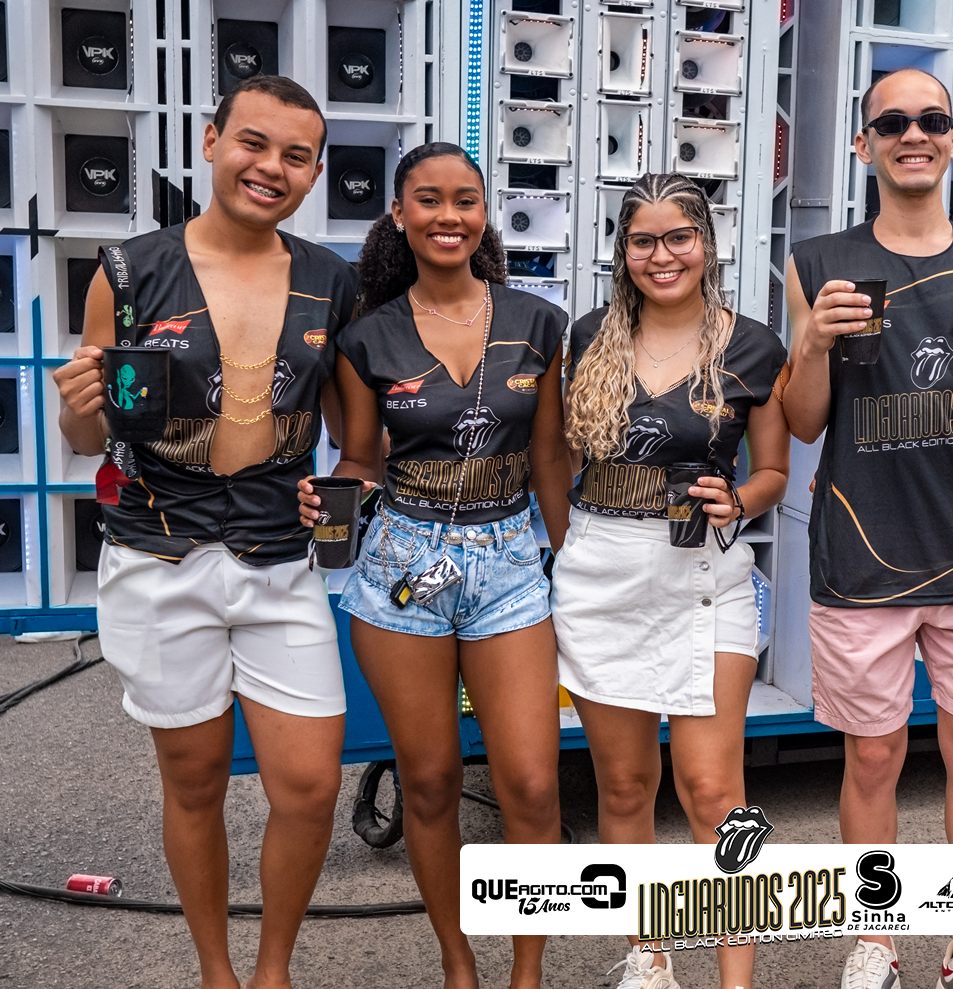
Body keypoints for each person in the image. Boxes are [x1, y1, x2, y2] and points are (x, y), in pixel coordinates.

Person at [51, 75, 357, 989]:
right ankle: (217, 971)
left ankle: (274, 970)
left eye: (296, 156)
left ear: (314, 173)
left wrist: (341, 491)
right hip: (158, 554)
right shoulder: (129, 271)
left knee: (311, 784)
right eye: (253, 143)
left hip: (278, 558)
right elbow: (87, 436)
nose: (271, 168)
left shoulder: (331, 281)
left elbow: (356, 442)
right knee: (195, 782)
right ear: (213, 140)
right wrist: (75, 404)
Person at [781, 67, 953, 989]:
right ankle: (876, 937)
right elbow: (803, 423)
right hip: (862, 555)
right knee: (873, 756)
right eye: (892, 122)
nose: (913, 134)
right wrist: (813, 342)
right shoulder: (816, 262)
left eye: (932, 119)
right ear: (864, 144)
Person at [296, 142, 568, 989]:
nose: (449, 216)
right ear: (400, 214)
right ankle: (459, 962)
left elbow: (551, 460)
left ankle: (527, 973)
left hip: (510, 564)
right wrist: (326, 500)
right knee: (430, 780)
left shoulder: (539, 322)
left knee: (531, 783)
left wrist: (571, 564)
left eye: (466, 200)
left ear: (484, 213)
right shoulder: (366, 337)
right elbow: (360, 457)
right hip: (403, 568)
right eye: (429, 199)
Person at [555, 172, 790, 989]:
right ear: (623, 251)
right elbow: (560, 456)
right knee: (623, 785)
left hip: (706, 574)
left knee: (715, 791)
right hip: (602, 575)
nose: (663, 255)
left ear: (706, 245)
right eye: (643, 240)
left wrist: (740, 498)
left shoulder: (753, 345)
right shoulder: (589, 335)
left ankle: (735, 981)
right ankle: (648, 957)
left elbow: (774, 472)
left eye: (679, 237)